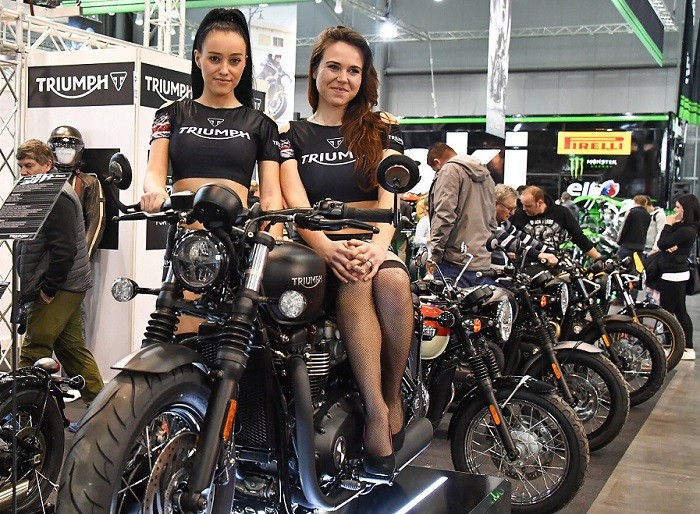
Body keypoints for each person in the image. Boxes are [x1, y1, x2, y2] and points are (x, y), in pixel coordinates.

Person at [279, 26, 412, 477]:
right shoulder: (291, 134)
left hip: (373, 240)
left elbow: (390, 199)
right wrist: (328, 247)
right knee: (356, 285)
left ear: (364, 78)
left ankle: (391, 394)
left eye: (354, 70)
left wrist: (377, 248)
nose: (343, 78)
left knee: (392, 280)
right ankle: (376, 411)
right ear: (315, 70)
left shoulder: (381, 128)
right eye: (334, 67)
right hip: (320, 246)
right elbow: (297, 205)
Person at [140, 8, 282, 218]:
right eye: (215, 59)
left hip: (238, 236)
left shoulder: (262, 124)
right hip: (183, 234)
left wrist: (272, 235)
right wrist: (155, 192)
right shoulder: (171, 113)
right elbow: (154, 172)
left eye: (234, 61)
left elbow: (271, 197)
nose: (224, 70)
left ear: (245, 61)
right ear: (198, 58)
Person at [16, 139, 104, 406]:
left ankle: (19, 414)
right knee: (72, 350)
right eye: (21, 167)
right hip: (66, 285)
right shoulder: (45, 192)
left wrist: (49, 288)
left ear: (47, 164)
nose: (24, 172)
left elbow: (64, 250)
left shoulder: (56, 196)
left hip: (60, 287)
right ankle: (103, 409)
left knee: (33, 350)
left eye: (30, 165)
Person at [427, 142, 497, 287]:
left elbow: (445, 216)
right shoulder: (486, 175)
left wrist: (435, 254)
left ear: (437, 162)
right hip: (482, 262)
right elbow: (492, 219)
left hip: (454, 262)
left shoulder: (449, 170)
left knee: (444, 301)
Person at [48, 125, 106, 260]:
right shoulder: (45, 181)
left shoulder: (89, 182)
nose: (65, 152)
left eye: (70, 148)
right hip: (46, 255)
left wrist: (83, 257)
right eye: (60, 148)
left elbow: (96, 222)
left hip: (74, 254)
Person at [656, 194, 700, 361]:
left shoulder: (688, 230)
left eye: (678, 207)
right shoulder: (685, 228)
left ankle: (677, 346)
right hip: (674, 273)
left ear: (686, 210)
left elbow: (662, 243)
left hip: (674, 274)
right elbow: (665, 244)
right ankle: (681, 346)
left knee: (667, 313)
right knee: (679, 311)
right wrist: (668, 242)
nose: (675, 210)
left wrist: (667, 224)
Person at [512, 185, 602, 260]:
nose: (524, 209)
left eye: (528, 206)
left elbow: (578, 237)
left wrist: (598, 258)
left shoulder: (561, 212)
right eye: (523, 205)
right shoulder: (518, 215)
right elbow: (508, 237)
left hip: (553, 264)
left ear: (539, 203)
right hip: (525, 266)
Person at [491, 184, 558, 268]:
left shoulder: (504, 223)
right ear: (495, 204)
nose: (512, 213)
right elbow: (510, 242)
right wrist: (539, 255)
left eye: (514, 209)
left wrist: (550, 252)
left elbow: (521, 237)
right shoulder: (487, 223)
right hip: (484, 271)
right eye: (509, 209)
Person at [616, 195, 651, 260]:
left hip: (627, 245)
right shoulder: (648, 215)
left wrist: (619, 241)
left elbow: (624, 228)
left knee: (621, 263)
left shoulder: (631, 212)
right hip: (640, 246)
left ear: (635, 202)